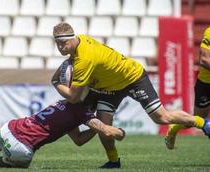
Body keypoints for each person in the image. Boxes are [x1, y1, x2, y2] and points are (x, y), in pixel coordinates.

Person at [51, 22, 210, 168]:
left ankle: (204, 124)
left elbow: (73, 96)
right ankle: (114, 161)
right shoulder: (81, 40)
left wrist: (55, 82)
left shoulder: (85, 59)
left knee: (161, 117)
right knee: (104, 126)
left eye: (64, 43)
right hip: (109, 87)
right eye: (57, 44)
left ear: (73, 38)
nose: (60, 47)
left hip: (132, 77)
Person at [0, 100, 125, 168]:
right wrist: (120, 131)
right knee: (14, 164)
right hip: (22, 146)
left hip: (11, 128)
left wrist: (93, 127)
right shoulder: (84, 113)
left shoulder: (64, 102)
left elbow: (77, 139)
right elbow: (108, 132)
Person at [165, 27, 210, 149]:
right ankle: (175, 127)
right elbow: (204, 59)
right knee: (198, 120)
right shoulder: (209, 32)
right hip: (206, 84)